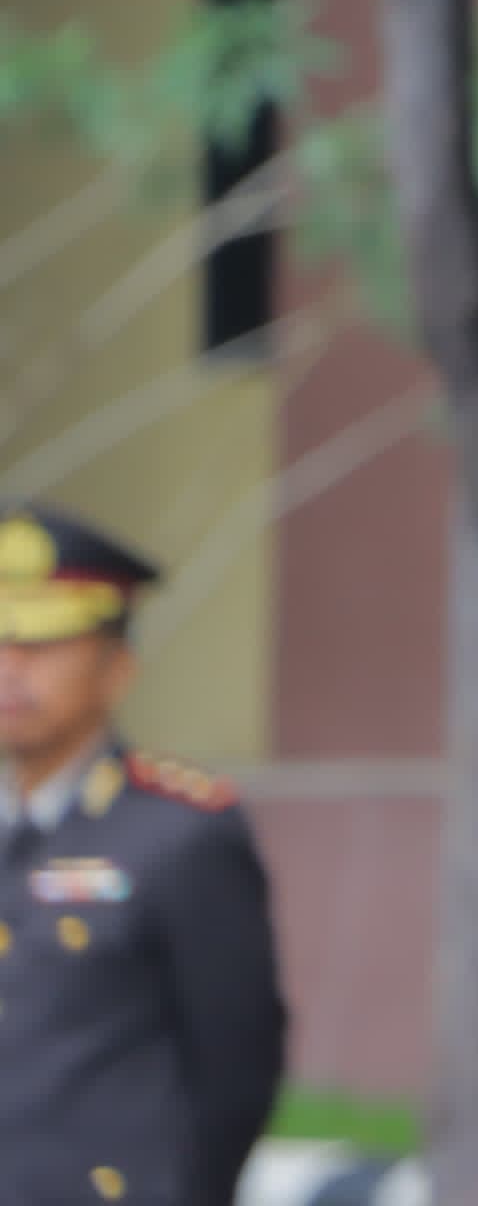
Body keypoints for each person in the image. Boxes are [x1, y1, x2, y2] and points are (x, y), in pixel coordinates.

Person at [0, 501, 286, 1206]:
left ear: (116, 667)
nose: (11, 669)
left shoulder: (178, 833)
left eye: (42, 645)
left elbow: (236, 1065)